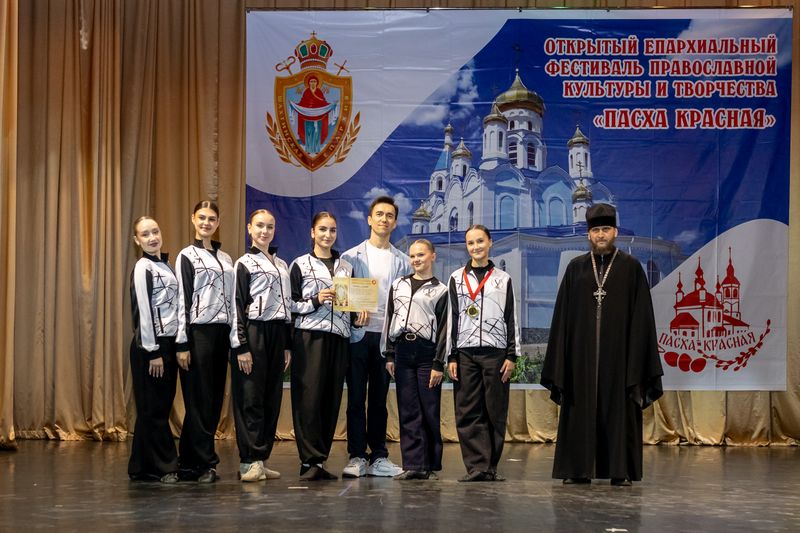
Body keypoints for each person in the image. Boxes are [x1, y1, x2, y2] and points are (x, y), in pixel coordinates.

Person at [541, 203, 663, 487]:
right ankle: (577, 469)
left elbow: (643, 318)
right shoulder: (576, 268)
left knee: (619, 408)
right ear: (588, 234)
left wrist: (637, 360)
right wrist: (562, 359)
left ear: (615, 232)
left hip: (620, 359)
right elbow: (562, 319)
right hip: (581, 359)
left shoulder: (631, 268)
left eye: (606, 229)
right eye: (595, 230)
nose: (600, 235)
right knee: (579, 407)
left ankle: (620, 470)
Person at [289, 211, 367, 481]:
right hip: (310, 337)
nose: (327, 235)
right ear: (312, 232)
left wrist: (358, 316)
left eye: (332, 230)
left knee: (331, 399)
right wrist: (315, 299)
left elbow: (349, 305)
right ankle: (308, 461)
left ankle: (320, 460)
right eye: (322, 229)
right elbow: (290, 304)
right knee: (309, 398)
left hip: (339, 338)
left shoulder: (346, 266)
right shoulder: (300, 264)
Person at [341, 196, 411, 478]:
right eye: (379, 214)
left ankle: (379, 456)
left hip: (386, 339)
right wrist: (354, 310)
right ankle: (357, 455)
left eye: (389, 215)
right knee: (356, 398)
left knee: (380, 400)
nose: (384, 219)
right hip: (358, 336)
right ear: (370, 220)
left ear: (395, 222)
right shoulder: (350, 257)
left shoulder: (403, 261)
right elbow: (341, 296)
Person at [448, 225, 519, 482]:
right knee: (468, 411)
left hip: (496, 353)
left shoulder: (503, 278)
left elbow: (511, 317)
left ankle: (490, 467)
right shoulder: (456, 277)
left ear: (490, 242)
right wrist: (451, 355)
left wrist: (511, 355)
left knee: (495, 410)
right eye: (470, 243)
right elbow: (452, 318)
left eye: (480, 241)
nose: (475, 246)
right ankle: (476, 466)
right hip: (465, 353)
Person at [229, 209, 292, 482]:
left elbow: (286, 307)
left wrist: (287, 345)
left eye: (269, 226)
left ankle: (261, 459)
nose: (265, 231)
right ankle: (248, 460)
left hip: (277, 334)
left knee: (271, 398)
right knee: (251, 397)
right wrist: (241, 346)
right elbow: (236, 306)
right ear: (249, 229)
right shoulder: (243, 263)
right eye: (259, 226)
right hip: (254, 332)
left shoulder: (282, 265)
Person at [175, 200, 234, 483]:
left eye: (211, 218)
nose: (206, 223)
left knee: (212, 400)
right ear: (193, 219)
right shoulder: (186, 256)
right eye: (202, 217)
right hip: (198, 334)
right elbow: (182, 300)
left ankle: (188, 463)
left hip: (222, 334)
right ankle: (205, 462)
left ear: (218, 222)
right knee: (198, 400)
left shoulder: (226, 258)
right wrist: (182, 343)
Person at [383, 239, 449, 480]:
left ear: (433, 256)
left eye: (421, 255)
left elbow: (444, 329)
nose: (416, 259)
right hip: (403, 350)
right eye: (412, 256)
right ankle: (412, 464)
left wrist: (438, 363)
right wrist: (390, 354)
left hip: (426, 353)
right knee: (408, 409)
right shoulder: (398, 285)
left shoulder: (441, 290)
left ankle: (429, 465)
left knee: (429, 408)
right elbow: (390, 319)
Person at [128, 216, 180, 484]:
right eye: (145, 234)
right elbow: (143, 311)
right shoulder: (142, 267)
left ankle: (140, 467)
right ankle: (164, 466)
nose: (152, 238)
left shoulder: (167, 266)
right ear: (137, 240)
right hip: (151, 346)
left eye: (155, 232)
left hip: (168, 344)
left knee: (156, 407)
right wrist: (152, 351)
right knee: (154, 409)